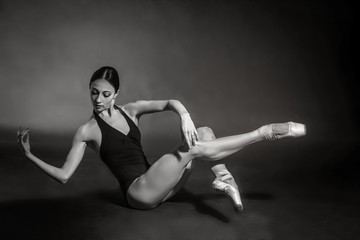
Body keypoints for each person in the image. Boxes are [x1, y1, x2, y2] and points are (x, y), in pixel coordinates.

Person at [17, 66, 306, 211]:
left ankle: (223, 177)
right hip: (140, 193)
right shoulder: (86, 131)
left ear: (116, 94)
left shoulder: (131, 110)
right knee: (192, 151)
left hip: (163, 186)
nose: (99, 99)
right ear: (89, 90)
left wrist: (184, 115)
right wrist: (30, 155)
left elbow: (171, 102)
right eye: (94, 92)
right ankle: (264, 133)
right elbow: (65, 175)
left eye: (106, 94)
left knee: (202, 132)